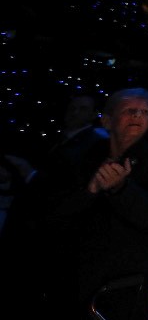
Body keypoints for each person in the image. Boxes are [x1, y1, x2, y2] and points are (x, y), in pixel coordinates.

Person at [39, 87, 148, 319]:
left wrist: (121, 188)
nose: (138, 116)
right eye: (130, 111)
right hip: (68, 276)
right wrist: (90, 190)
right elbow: (52, 212)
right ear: (107, 121)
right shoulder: (82, 154)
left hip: (120, 284)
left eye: (144, 112)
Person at [0, 93, 108, 311]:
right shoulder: (59, 138)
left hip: (45, 237)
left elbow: (72, 188)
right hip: (25, 228)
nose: (75, 112)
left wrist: (30, 174)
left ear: (93, 114)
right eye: (73, 107)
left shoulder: (95, 144)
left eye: (83, 108)